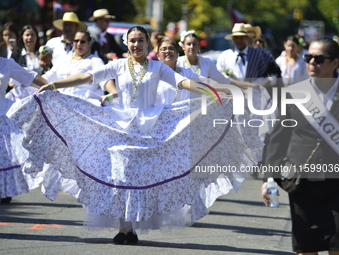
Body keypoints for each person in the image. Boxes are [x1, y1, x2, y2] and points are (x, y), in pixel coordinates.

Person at [7, 26, 262, 244]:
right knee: (121, 175)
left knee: (140, 178)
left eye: (141, 40)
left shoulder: (157, 67)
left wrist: (209, 91)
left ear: (146, 42)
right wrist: (54, 84)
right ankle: (123, 228)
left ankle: (134, 227)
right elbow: (88, 76)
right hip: (120, 126)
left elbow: (181, 82)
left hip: (151, 128)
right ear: (126, 43)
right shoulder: (118, 65)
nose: (136, 44)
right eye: (132, 41)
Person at [262, 38, 339, 254]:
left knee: (337, 244)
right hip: (302, 182)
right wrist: (269, 178)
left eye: (319, 58)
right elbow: (278, 137)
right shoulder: (295, 93)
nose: (312, 62)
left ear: (335, 62)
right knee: (306, 246)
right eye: (309, 57)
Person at [0, 57, 48, 203]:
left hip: (3, 115)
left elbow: (30, 77)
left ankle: (5, 190)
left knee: (7, 155)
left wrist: (52, 87)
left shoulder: (5, 63)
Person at [42, 30, 115, 106]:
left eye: (83, 41)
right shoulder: (64, 59)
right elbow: (48, 77)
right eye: (76, 41)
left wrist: (114, 94)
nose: (79, 44)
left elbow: (106, 81)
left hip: (84, 104)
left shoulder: (95, 61)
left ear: (89, 43)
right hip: (61, 103)